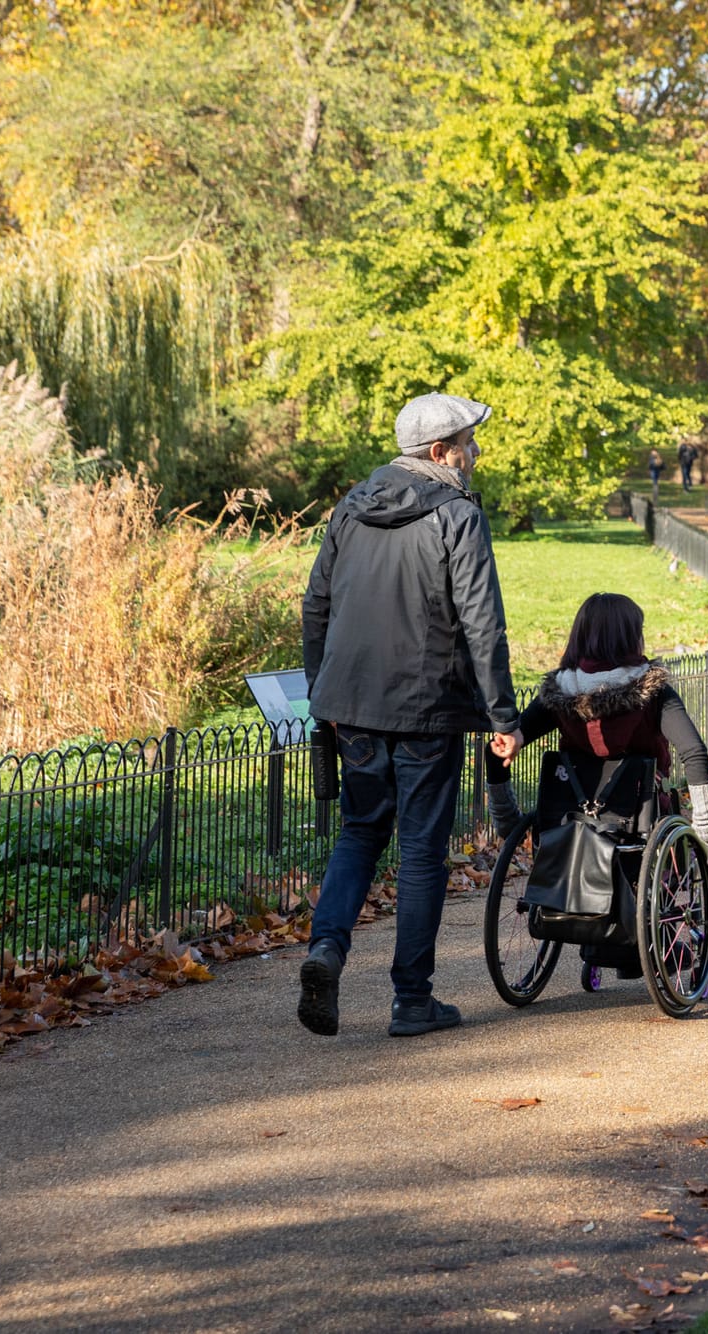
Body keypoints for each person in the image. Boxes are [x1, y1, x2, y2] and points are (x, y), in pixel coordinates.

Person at [298, 392, 522, 1039]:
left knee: (360, 833)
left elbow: (315, 605)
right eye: (467, 444)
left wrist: (324, 695)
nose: (474, 454)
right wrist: (502, 716)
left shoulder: (352, 507)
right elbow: (484, 624)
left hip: (354, 708)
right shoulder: (456, 514)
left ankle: (327, 947)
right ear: (438, 452)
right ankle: (411, 999)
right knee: (422, 851)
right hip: (427, 708)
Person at [482, 593, 708, 979]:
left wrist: (508, 822)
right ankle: (661, 948)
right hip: (640, 818)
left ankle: (597, 943)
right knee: (665, 832)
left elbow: (499, 748)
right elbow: (693, 752)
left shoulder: (559, 694)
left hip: (568, 824)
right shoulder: (651, 690)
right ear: (632, 638)